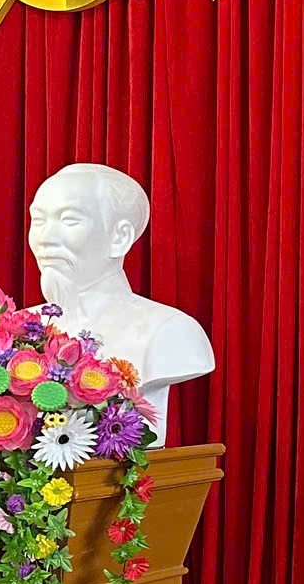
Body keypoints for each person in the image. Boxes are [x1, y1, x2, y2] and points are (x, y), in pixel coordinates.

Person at [26, 161, 215, 445]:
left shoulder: (169, 331)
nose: (45, 238)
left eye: (69, 220)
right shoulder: (19, 329)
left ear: (120, 237)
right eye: (39, 221)